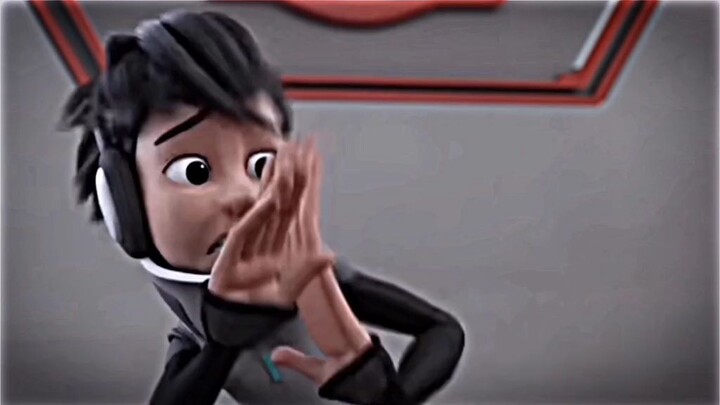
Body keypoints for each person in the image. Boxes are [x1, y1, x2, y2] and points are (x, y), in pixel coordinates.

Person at [59, 9, 464, 405]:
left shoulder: (315, 283)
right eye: (195, 171)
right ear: (123, 203)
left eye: (261, 165)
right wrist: (224, 340)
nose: (246, 196)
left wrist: (387, 395)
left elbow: (443, 330)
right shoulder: (197, 338)